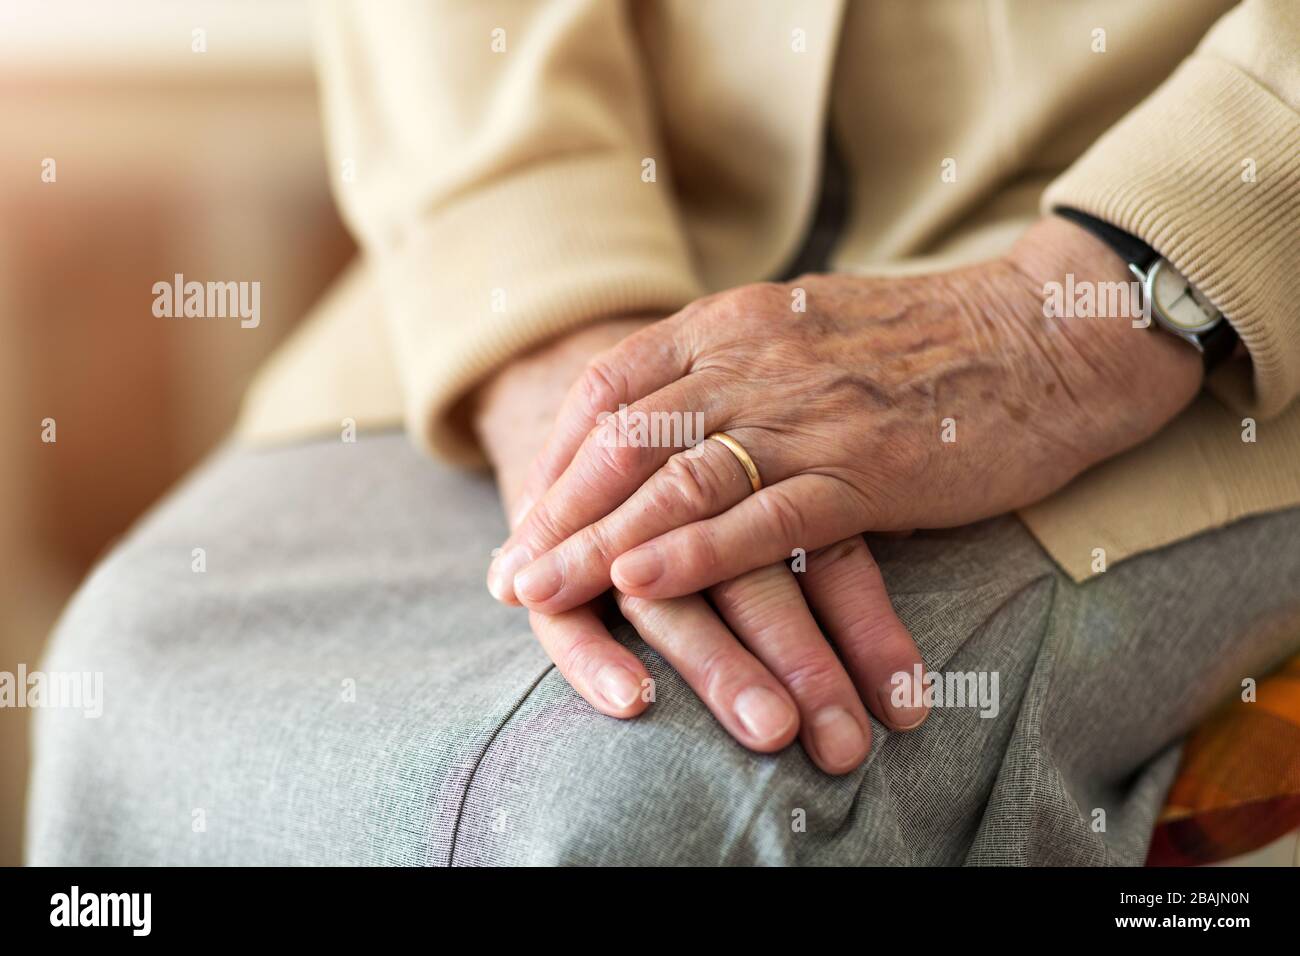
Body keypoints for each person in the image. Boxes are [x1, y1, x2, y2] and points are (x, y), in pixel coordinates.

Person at [29, 0, 1300, 865]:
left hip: (1188, 288)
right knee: (132, 669)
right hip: (584, 219)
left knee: (647, 798)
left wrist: (1081, 313)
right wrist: (544, 304)